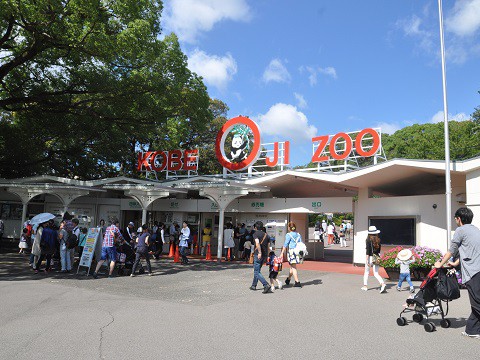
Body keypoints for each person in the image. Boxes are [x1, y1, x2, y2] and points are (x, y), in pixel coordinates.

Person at [435, 207, 480, 338]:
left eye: (455, 219)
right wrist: (456, 263)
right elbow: (470, 250)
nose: (455, 221)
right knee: (475, 302)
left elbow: (452, 250)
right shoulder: (475, 230)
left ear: (459, 218)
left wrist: (440, 264)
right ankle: (471, 330)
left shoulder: (460, 230)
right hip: (477, 269)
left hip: (474, 271)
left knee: (477, 302)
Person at [362, 226, 386, 293]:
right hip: (377, 257)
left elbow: (368, 250)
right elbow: (379, 250)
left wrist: (366, 260)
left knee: (366, 272)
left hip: (370, 257)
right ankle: (382, 284)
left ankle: (365, 286)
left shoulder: (368, 240)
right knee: (376, 273)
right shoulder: (378, 240)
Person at [249, 221, 272, 293]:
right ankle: (254, 285)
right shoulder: (266, 235)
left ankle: (266, 284)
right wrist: (268, 255)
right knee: (258, 270)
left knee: (256, 271)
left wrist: (259, 252)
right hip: (264, 255)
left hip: (258, 254)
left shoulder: (255, 234)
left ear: (255, 227)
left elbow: (257, 243)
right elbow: (268, 246)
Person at [279, 222, 303, 288]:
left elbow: (285, 244)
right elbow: (301, 243)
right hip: (297, 252)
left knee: (293, 267)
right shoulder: (298, 234)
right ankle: (288, 279)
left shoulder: (288, 235)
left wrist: (281, 253)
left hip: (292, 252)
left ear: (289, 228)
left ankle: (297, 282)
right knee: (292, 266)